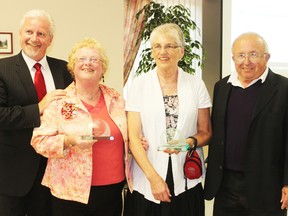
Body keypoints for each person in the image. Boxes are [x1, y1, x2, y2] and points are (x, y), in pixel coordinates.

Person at [31, 37, 130, 216]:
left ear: (103, 68)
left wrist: (138, 141)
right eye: (81, 59)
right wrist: (68, 140)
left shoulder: (116, 99)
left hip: (112, 189)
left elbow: (127, 133)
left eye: (94, 59)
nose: (88, 64)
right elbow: (38, 141)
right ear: (72, 67)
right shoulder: (59, 101)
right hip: (69, 192)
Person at [124, 23, 212, 216]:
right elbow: (133, 137)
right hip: (147, 176)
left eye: (170, 46)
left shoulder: (196, 85)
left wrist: (188, 143)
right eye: (157, 46)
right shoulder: (139, 85)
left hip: (186, 178)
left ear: (181, 52)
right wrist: (153, 178)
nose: (163, 51)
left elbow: (206, 132)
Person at [204, 32, 288, 216]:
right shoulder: (222, 87)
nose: (246, 61)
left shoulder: (283, 88)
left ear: (267, 57)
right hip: (226, 186)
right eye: (241, 55)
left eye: (254, 54)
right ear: (233, 58)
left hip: (266, 186)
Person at [0, 9, 72, 216]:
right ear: (21, 33)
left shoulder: (64, 70)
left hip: (54, 172)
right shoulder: (3, 69)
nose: (34, 38)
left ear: (50, 39)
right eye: (29, 32)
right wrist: (39, 108)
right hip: (13, 176)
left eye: (41, 34)